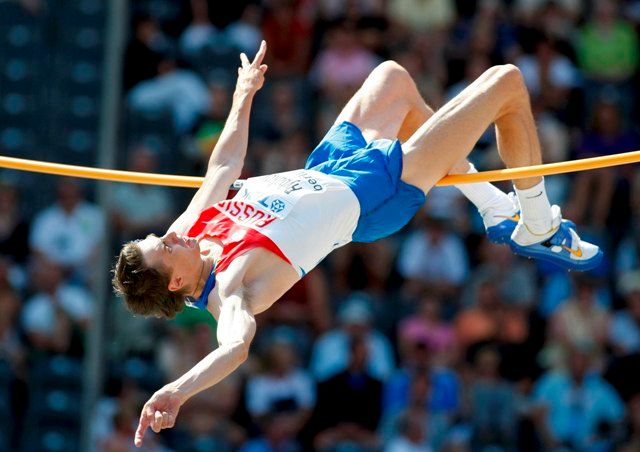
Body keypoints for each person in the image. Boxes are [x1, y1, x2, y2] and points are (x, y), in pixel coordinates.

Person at [111, 41, 602, 447]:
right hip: (375, 197)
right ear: (177, 281)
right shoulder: (230, 289)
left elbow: (222, 168)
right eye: (166, 246)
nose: (173, 233)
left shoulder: (191, 234)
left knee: (392, 78)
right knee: (507, 83)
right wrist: (177, 390)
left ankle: (494, 208)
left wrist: (243, 96)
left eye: (162, 236)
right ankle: (536, 221)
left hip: (328, 165)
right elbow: (236, 348)